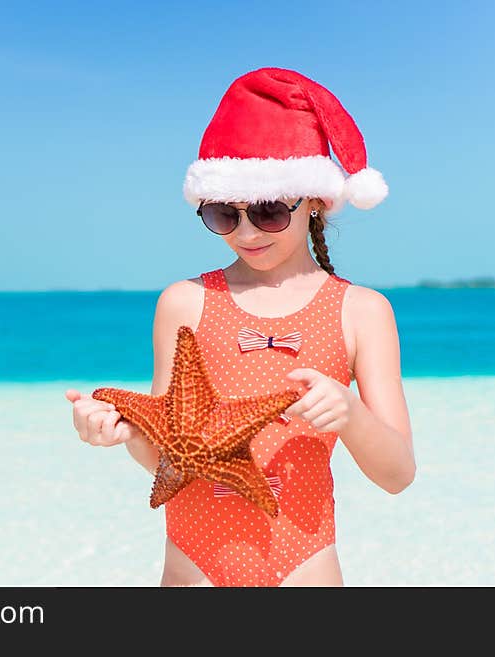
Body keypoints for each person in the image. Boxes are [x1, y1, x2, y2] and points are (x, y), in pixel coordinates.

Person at [65, 67, 415, 587]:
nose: (247, 232)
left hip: (305, 571)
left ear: (314, 203)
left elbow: (397, 475)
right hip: (192, 573)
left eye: (270, 212)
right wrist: (119, 432)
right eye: (224, 215)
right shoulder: (185, 302)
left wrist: (351, 414)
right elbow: (171, 456)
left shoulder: (361, 311)